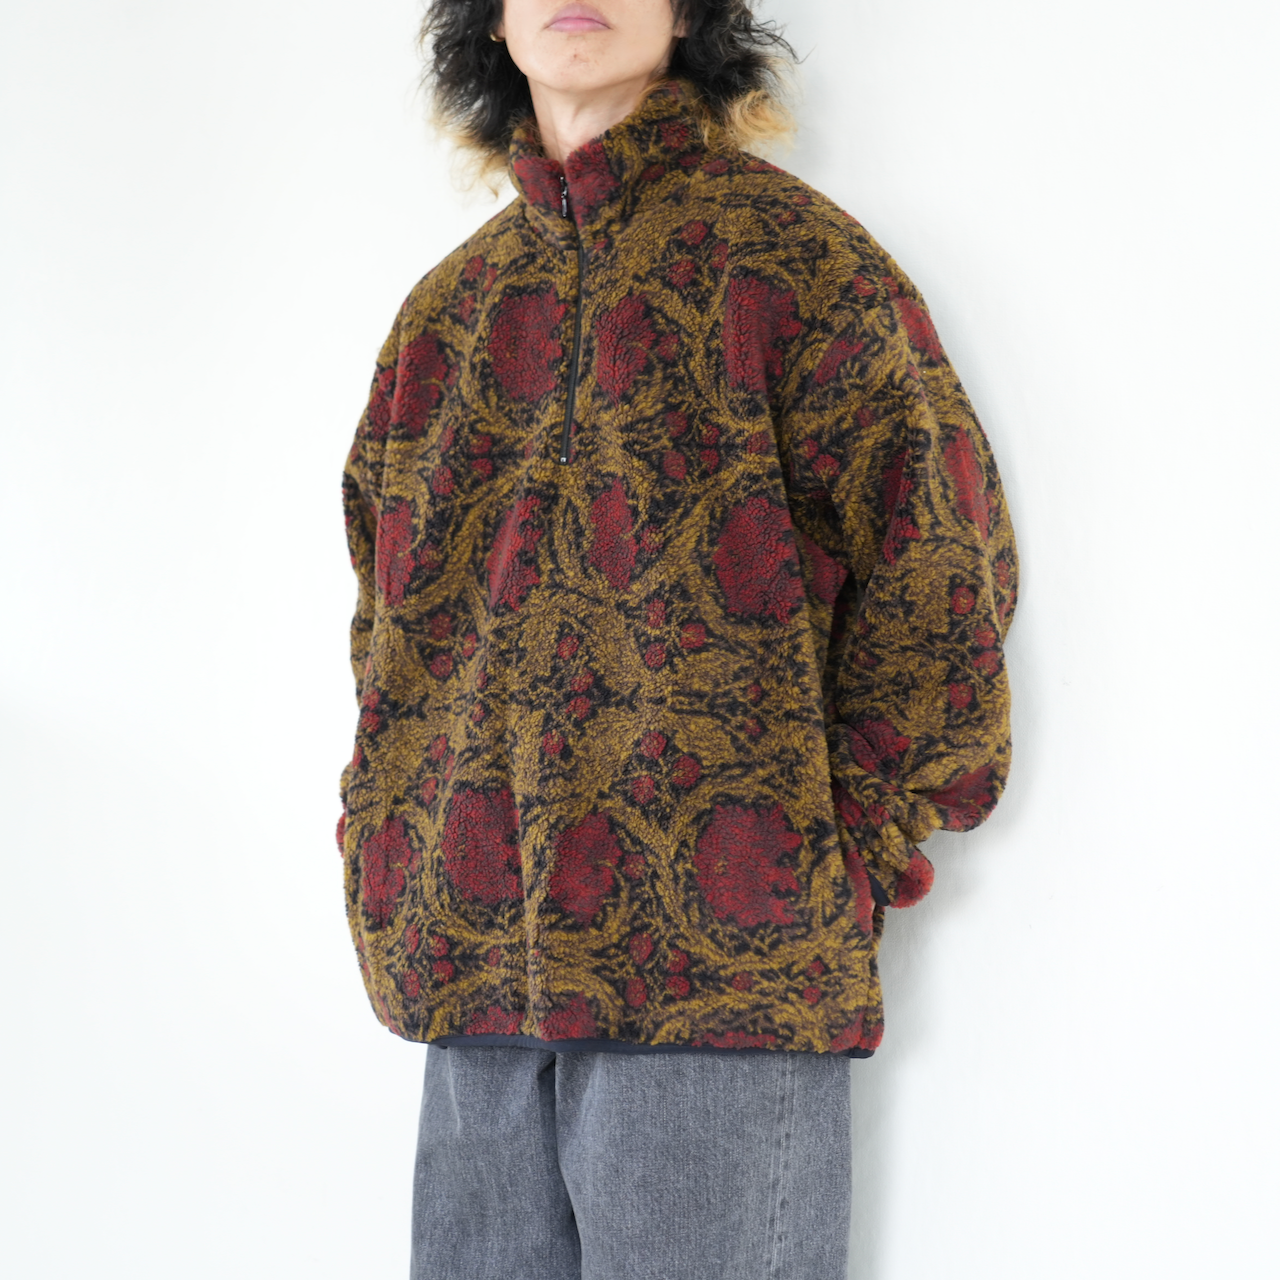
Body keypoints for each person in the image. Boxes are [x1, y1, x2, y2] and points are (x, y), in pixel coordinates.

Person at [336, 2, 1018, 1276]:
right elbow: (388, 627)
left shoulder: (795, 263)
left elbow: (936, 565)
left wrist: (828, 848)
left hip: (719, 978)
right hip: (471, 970)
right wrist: (387, 848)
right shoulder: (447, 315)